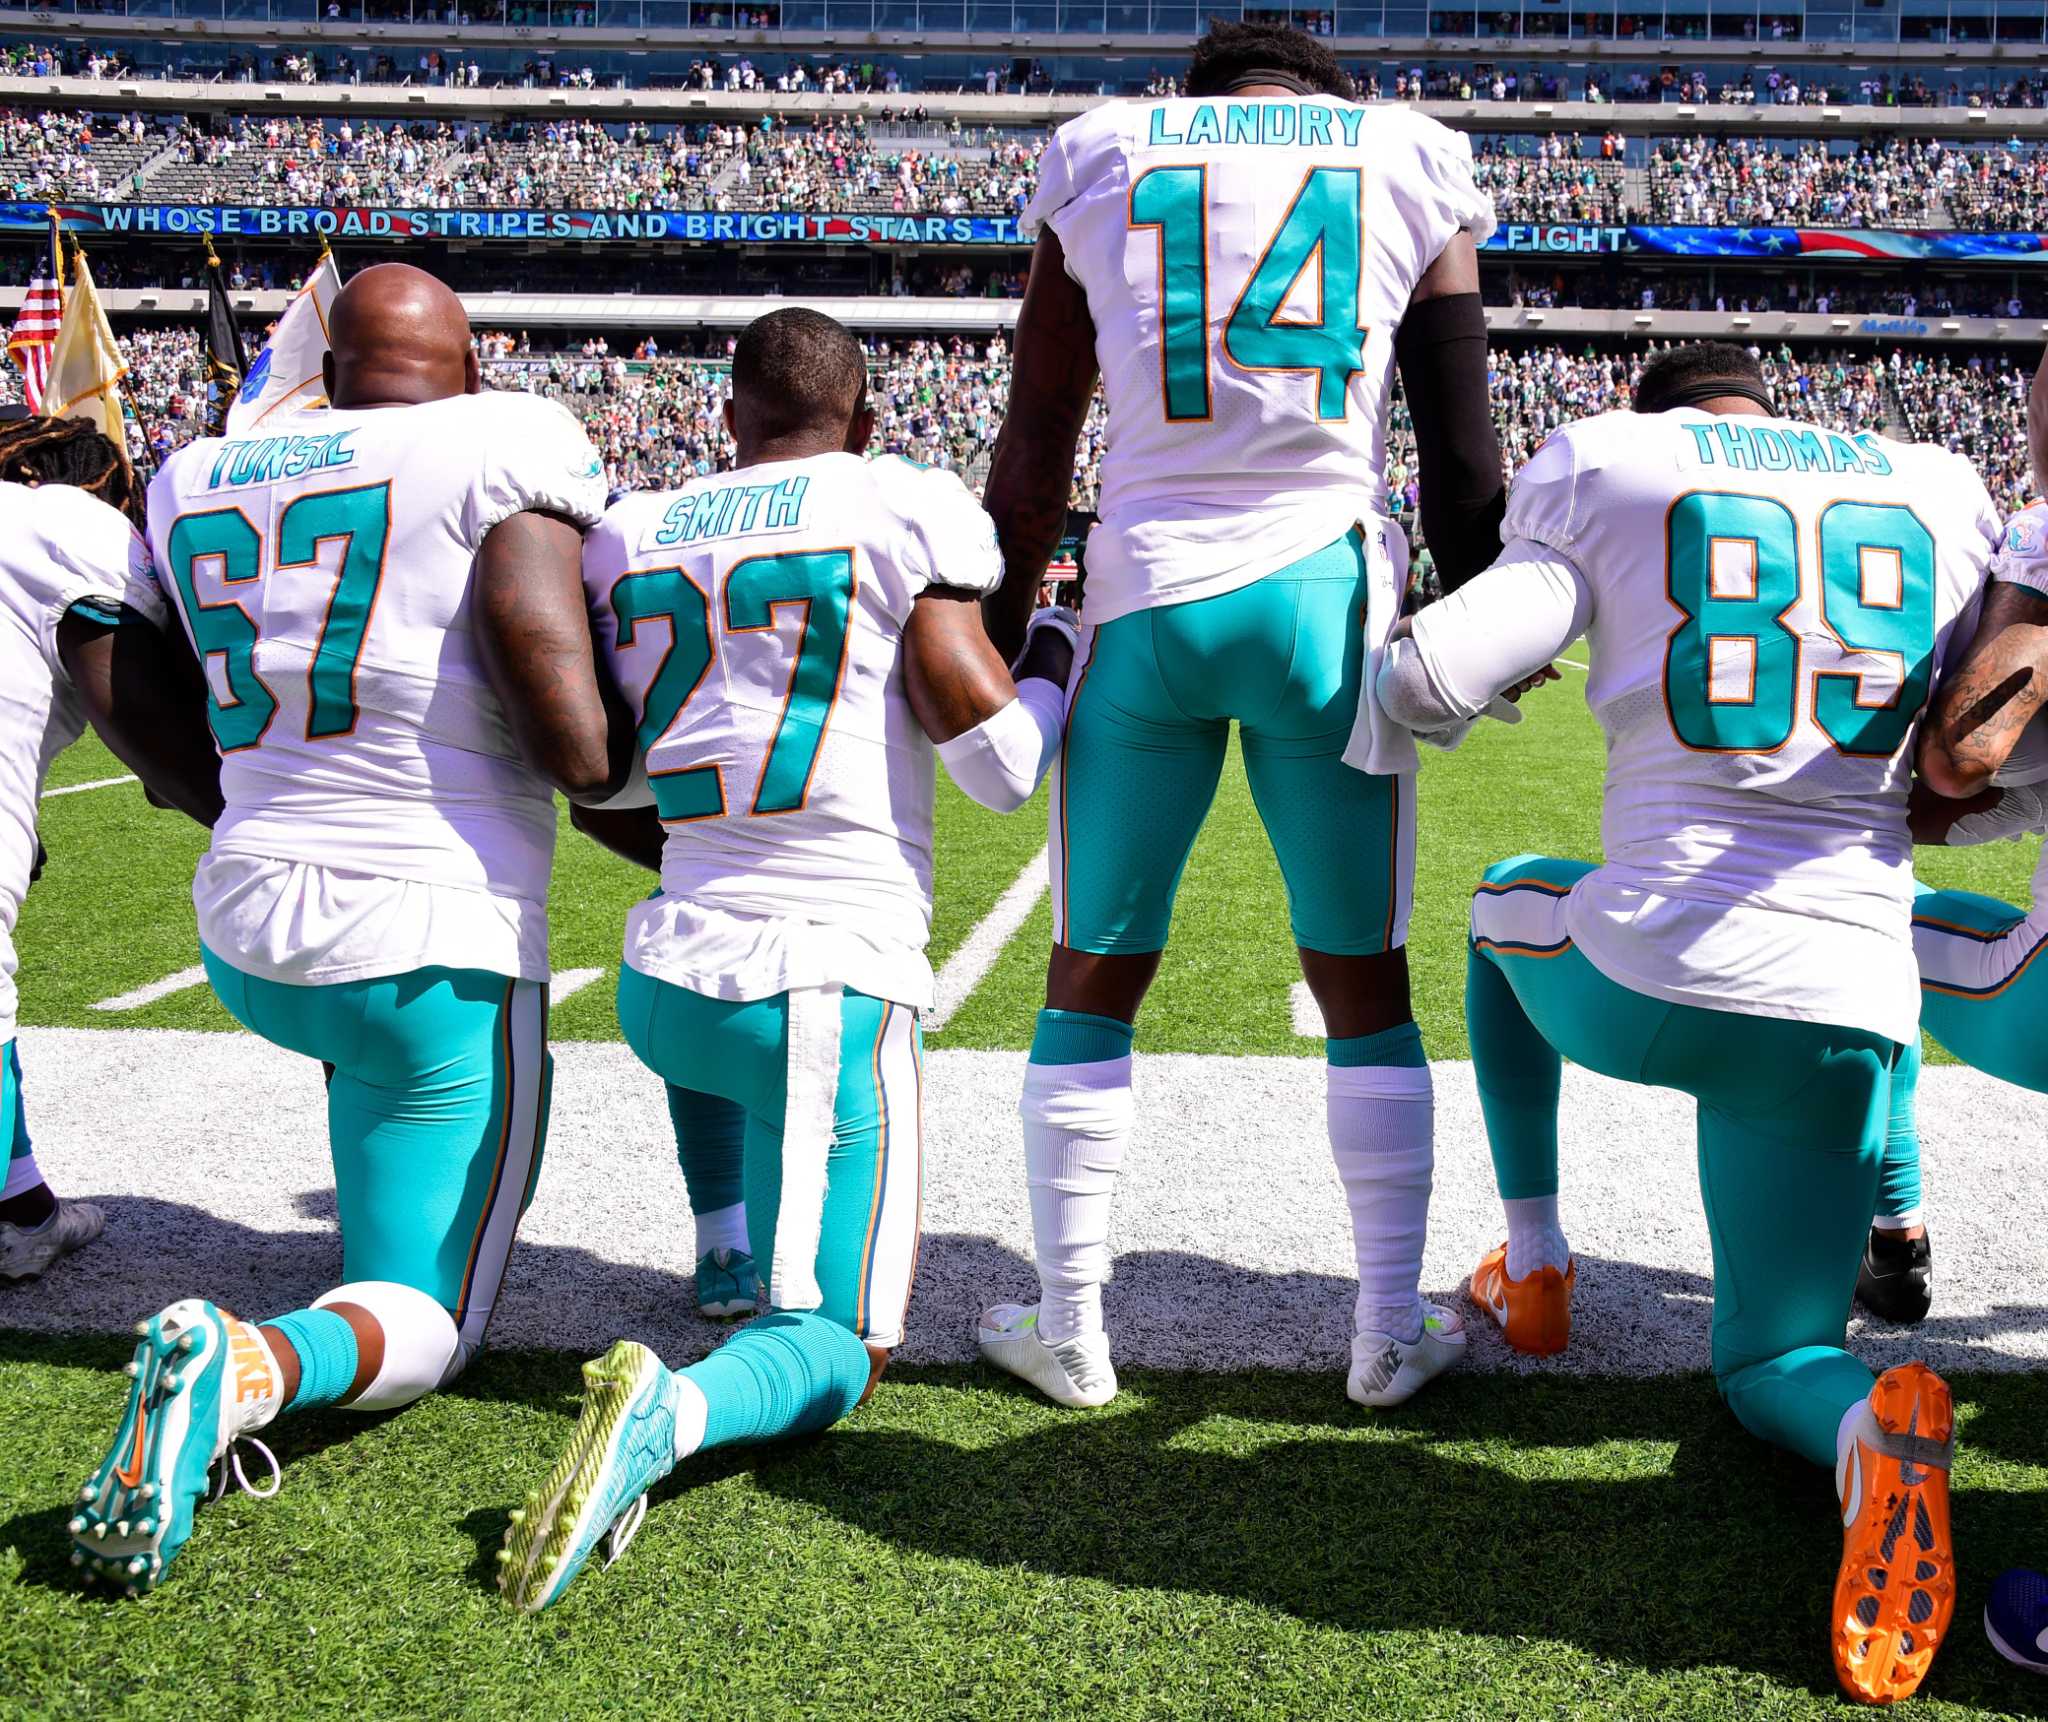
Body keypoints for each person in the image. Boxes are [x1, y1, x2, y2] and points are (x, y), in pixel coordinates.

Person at [1376, 341, 1995, 1704]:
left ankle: (1533, 1267)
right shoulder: (1943, 484)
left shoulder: (1610, 461)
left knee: (1501, 905)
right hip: (1844, 1001)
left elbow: (1422, 682)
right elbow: (1998, 764)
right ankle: (1863, 1433)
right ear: (1766, 407)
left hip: (1651, 969)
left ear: (1646, 412)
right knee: (1779, 1352)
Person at [496, 307, 1074, 1613]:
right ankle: (678, 1411)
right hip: (820, 978)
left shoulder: (635, 529)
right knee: (842, 1339)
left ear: (725, 419)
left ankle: (720, 1245)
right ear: (863, 423)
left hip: (665, 979)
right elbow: (1003, 766)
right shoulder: (898, 504)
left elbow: (610, 764)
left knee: (720, 1014)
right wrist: (1051, 662)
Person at [68, 263, 626, 1595]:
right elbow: (551, 680)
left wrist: (238, 801)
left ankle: (358, 1244)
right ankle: (254, 1364)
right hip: (425, 931)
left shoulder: (202, 467)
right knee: (429, 1319)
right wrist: (640, 803)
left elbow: (128, 684)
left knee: (371, 1084)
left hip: (248, 922)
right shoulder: (506, 436)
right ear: (469, 358)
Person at [973, 17, 1507, 1411]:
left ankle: (1072, 1328)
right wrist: (1485, 617)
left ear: (1196, 99)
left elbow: (1035, 448)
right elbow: (1459, 441)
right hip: (1320, 598)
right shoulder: (1405, 154)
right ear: (1330, 98)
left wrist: (993, 621)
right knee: (1362, 979)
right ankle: (1386, 1331)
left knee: (1094, 963)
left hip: (1145, 592)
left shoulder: (1104, 149)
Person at [0, 417, 214, 1281]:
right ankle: (17, 1224)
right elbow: (148, 735)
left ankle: (20, 1206)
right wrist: (253, 814)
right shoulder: (65, 523)